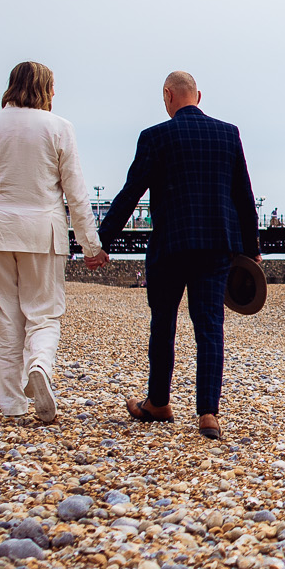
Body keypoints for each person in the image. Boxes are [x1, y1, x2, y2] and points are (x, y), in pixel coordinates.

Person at [97, 71, 259, 441]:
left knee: (163, 325)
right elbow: (243, 197)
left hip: (170, 246)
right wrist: (251, 251)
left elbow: (130, 193)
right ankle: (208, 414)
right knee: (209, 328)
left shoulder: (155, 136)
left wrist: (101, 241)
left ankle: (158, 402)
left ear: (168, 95)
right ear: (198, 96)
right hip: (216, 245)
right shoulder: (227, 134)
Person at [0, 60, 102, 424]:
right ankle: (40, 368)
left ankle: (12, 404)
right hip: (41, 233)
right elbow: (76, 194)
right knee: (44, 313)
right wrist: (90, 246)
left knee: (6, 317)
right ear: (46, 90)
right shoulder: (59, 128)